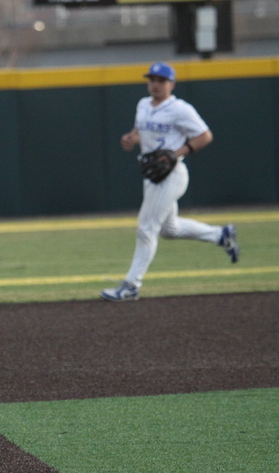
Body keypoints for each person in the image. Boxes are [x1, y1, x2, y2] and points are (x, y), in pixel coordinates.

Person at [101, 62, 240, 302]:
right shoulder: (143, 104)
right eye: (152, 79)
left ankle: (132, 285)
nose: (155, 84)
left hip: (172, 175)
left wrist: (179, 151)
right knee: (169, 229)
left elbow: (205, 135)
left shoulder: (180, 109)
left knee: (146, 227)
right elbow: (140, 131)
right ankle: (221, 235)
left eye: (161, 80)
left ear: (171, 84)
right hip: (153, 175)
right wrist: (131, 138)